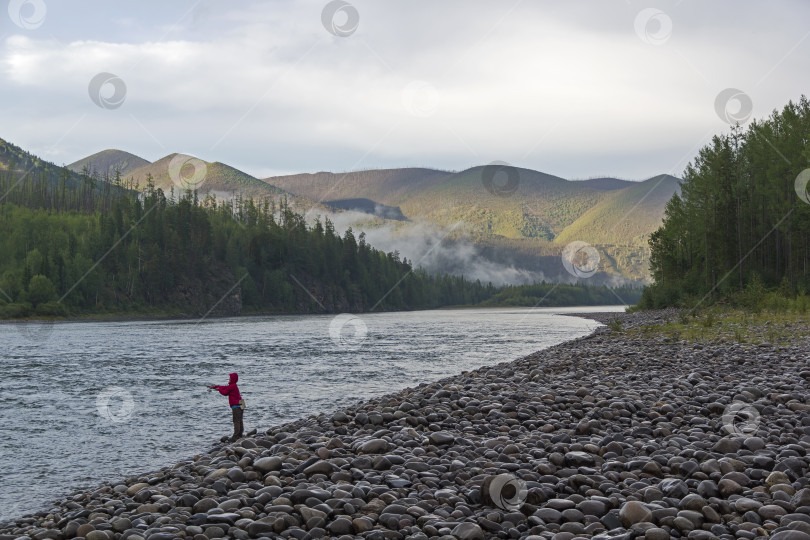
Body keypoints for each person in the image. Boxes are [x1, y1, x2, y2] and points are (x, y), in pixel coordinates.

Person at [209, 373, 243, 442]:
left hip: (237, 405)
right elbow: (225, 387)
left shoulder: (232, 386)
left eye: (230, 378)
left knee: (236, 421)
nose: (229, 379)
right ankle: (240, 434)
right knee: (240, 420)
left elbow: (225, 392)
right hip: (242, 403)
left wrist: (219, 390)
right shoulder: (233, 386)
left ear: (232, 379)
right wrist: (215, 387)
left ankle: (236, 436)